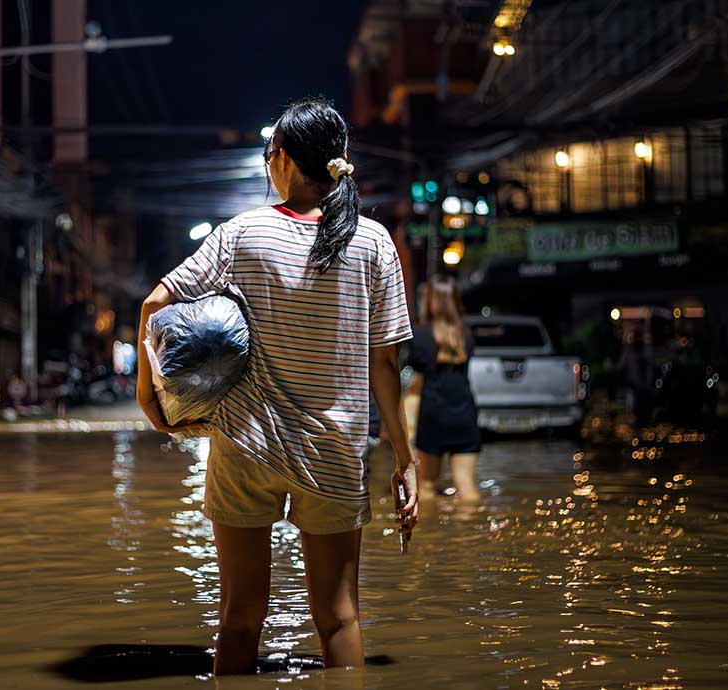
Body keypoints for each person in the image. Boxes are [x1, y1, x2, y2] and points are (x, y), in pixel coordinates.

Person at [135, 98, 418, 675]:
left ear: (283, 159)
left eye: (270, 155)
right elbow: (384, 367)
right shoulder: (373, 242)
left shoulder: (242, 233)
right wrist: (405, 460)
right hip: (335, 453)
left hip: (245, 445)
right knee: (339, 618)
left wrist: (151, 397)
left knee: (240, 616)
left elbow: (155, 304)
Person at [408, 275, 482, 503]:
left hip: (434, 414)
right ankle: (471, 535)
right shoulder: (467, 335)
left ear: (429, 300)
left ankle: (430, 536)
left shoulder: (419, 336)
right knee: (467, 486)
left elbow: (416, 380)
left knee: (427, 485)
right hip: (465, 413)